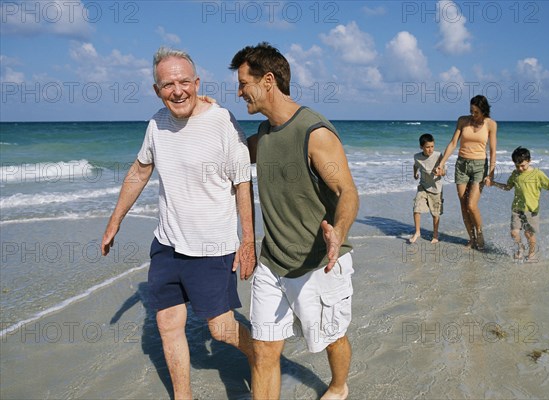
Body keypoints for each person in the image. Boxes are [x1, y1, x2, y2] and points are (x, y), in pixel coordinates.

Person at [101, 47, 256, 400]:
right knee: (167, 324)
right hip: (167, 246)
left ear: (197, 83)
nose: (178, 90)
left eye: (184, 81)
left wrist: (248, 240)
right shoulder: (156, 123)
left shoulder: (222, 122)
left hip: (212, 248)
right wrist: (115, 222)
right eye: (168, 84)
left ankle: (262, 355)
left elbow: (242, 182)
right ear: (157, 90)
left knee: (220, 330)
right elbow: (141, 170)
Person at [229, 42, 359, 400]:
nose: (239, 92)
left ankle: (338, 385)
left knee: (332, 339)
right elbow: (232, 149)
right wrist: (203, 113)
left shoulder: (314, 132)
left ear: (268, 80)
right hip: (273, 263)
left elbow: (348, 192)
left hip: (319, 262)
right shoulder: (265, 135)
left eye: (243, 84)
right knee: (265, 351)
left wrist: (339, 234)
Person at [435, 95, 497, 249]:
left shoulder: (491, 124)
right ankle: (472, 238)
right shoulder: (462, 121)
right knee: (463, 205)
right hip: (461, 165)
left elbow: (493, 150)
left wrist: (491, 173)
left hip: (479, 166)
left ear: (483, 110)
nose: (473, 114)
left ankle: (480, 234)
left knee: (471, 205)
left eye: (476, 112)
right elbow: (453, 143)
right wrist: (441, 163)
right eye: (471, 111)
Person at [490, 147, 549, 261]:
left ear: (529, 161)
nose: (520, 168)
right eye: (517, 166)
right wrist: (493, 183)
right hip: (517, 209)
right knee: (514, 233)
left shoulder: (537, 174)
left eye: (523, 165)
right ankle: (520, 248)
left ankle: (532, 253)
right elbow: (508, 187)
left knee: (529, 234)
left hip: (532, 210)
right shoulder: (515, 174)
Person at [409, 133, 445, 244]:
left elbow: (444, 172)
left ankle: (435, 235)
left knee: (435, 213)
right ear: (421, 147)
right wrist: (415, 174)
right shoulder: (417, 156)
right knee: (416, 208)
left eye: (432, 146)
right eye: (427, 147)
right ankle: (417, 232)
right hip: (423, 186)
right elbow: (416, 164)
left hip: (436, 189)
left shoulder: (439, 155)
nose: (430, 149)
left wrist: (439, 172)